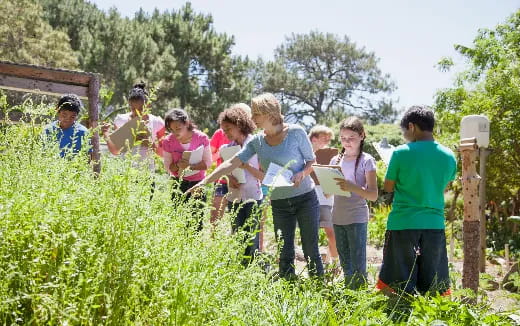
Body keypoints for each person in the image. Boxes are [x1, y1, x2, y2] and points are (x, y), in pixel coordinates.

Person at [188, 93, 323, 278]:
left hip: (305, 198)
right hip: (279, 203)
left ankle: (318, 288)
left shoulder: (296, 132)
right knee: (284, 251)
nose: (252, 119)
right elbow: (231, 163)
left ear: (269, 114)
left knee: (310, 248)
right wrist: (204, 182)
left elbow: (311, 160)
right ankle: (288, 289)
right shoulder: (257, 141)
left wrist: (302, 173)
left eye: (255, 115)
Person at [376, 106, 456, 296]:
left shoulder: (400, 153)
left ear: (411, 127)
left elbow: (388, 188)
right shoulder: (449, 155)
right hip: (434, 223)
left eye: (404, 131)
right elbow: (444, 187)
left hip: (403, 222)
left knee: (398, 280)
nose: (404, 135)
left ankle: (398, 312)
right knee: (433, 280)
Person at [328, 117, 378, 289]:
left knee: (357, 265)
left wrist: (352, 187)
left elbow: (373, 195)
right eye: (343, 138)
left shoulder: (367, 160)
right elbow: (329, 192)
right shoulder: (335, 160)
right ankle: (349, 298)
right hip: (337, 216)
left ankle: (360, 298)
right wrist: (327, 185)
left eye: (351, 138)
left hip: (356, 217)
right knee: (345, 263)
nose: (347, 142)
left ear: (362, 136)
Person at [218, 104, 263, 264]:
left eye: (228, 128)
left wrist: (246, 166)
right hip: (234, 197)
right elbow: (225, 171)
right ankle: (240, 269)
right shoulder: (226, 148)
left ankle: (253, 270)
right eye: (223, 130)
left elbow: (263, 175)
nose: (225, 133)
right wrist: (230, 178)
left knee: (252, 238)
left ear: (239, 124)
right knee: (238, 235)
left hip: (253, 197)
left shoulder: (257, 144)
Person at [162, 108, 212, 230]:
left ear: (187, 123)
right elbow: (168, 167)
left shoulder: (201, 138)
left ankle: (194, 246)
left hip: (198, 183)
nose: (175, 132)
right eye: (171, 129)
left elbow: (207, 163)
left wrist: (190, 166)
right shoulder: (168, 141)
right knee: (178, 219)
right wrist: (179, 165)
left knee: (196, 220)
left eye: (178, 128)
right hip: (178, 184)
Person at [101, 82, 165, 171]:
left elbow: (163, 154)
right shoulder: (121, 120)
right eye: (133, 109)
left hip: (147, 174)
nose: (136, 112)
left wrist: (151, 144)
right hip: (125, 173)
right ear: (129, 104)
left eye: (140, 109)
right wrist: (106, 133)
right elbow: (115, 151)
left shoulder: (157, 122)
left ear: (148, 105)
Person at [308, 125, 339, 268]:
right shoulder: (304, 154)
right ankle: (315, 264)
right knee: (310, 233)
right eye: (323, 138)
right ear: (314, 139)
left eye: (328, 139)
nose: (327, 141)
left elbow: (336, 178)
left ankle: (334, 263)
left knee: (331, 232)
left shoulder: (333, 156)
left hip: (327, 198)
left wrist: (331, 187)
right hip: (310, 197)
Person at [42, 94, 91, 158]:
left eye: (72, 117)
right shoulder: (48, 130)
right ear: (57, 110)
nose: (68, 119)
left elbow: (88, 158)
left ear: (77, 116)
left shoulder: (83, 132)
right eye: (64, 115)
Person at [209, 128, 230, 224]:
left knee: (237, 217)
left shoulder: (245, 134)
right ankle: (213, 237)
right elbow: (209, 158)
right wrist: (220, 153)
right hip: (221, 181)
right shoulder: (219, 133)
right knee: (215, 217)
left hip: (240, 180)